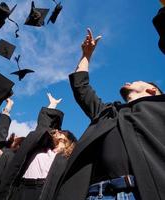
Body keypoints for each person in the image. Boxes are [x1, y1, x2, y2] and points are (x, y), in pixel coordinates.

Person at [53, 28, 165, 200]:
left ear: (152, 90)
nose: (128, 81)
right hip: (98, 195)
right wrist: (86, 55)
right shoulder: (108, 113)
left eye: (136, 81)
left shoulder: (161, 108)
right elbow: (81, 88)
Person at [0, 93, 76, 200]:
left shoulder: (64, 158)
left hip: (40, 191)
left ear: (68, 139)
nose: (58, 132)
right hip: (20, 187)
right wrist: (52, 105)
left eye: (62, 132)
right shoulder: (42, 147)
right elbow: (43, 127)